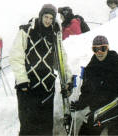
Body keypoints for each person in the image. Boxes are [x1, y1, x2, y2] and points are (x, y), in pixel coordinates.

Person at [9, 4, 72, 135]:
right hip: (27, 87)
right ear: (41, 15)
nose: (48, 20)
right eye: (46, 16)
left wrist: (68, 78)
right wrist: (22, 81)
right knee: (28, 127)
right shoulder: (27, 31)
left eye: (51, 18)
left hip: (46, 88)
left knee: (45, 128)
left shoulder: (54, 35)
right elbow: (16, 56)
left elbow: (61, 60)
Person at [70, 35, 118, 135]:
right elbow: (87, 91)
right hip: (98, 111)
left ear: (108, 48)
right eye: (96, 49)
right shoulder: (91, 69)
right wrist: (80, 104)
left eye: (103, 48)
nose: (99, 52)